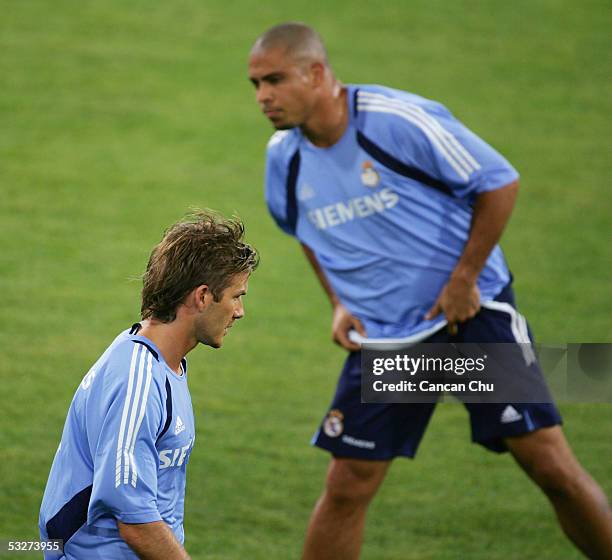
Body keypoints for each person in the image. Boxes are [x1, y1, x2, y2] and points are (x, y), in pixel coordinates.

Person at [248, 22, 612, 560]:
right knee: (348, 483)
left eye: (274, 80)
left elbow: (499, 182)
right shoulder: (284, 158)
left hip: (468, 319)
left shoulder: (396, 121)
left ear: (317, 72)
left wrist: (464, 279)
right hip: (392, 339)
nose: (263, 97)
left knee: (549, 465)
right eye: (254, 85)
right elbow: (305, 229)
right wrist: (339, 301)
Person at [38, 211, 259, 559]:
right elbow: (135, 522)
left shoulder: (159, 360)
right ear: (202, 296)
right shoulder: (136, 382)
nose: (240, 311)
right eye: (236, 295)